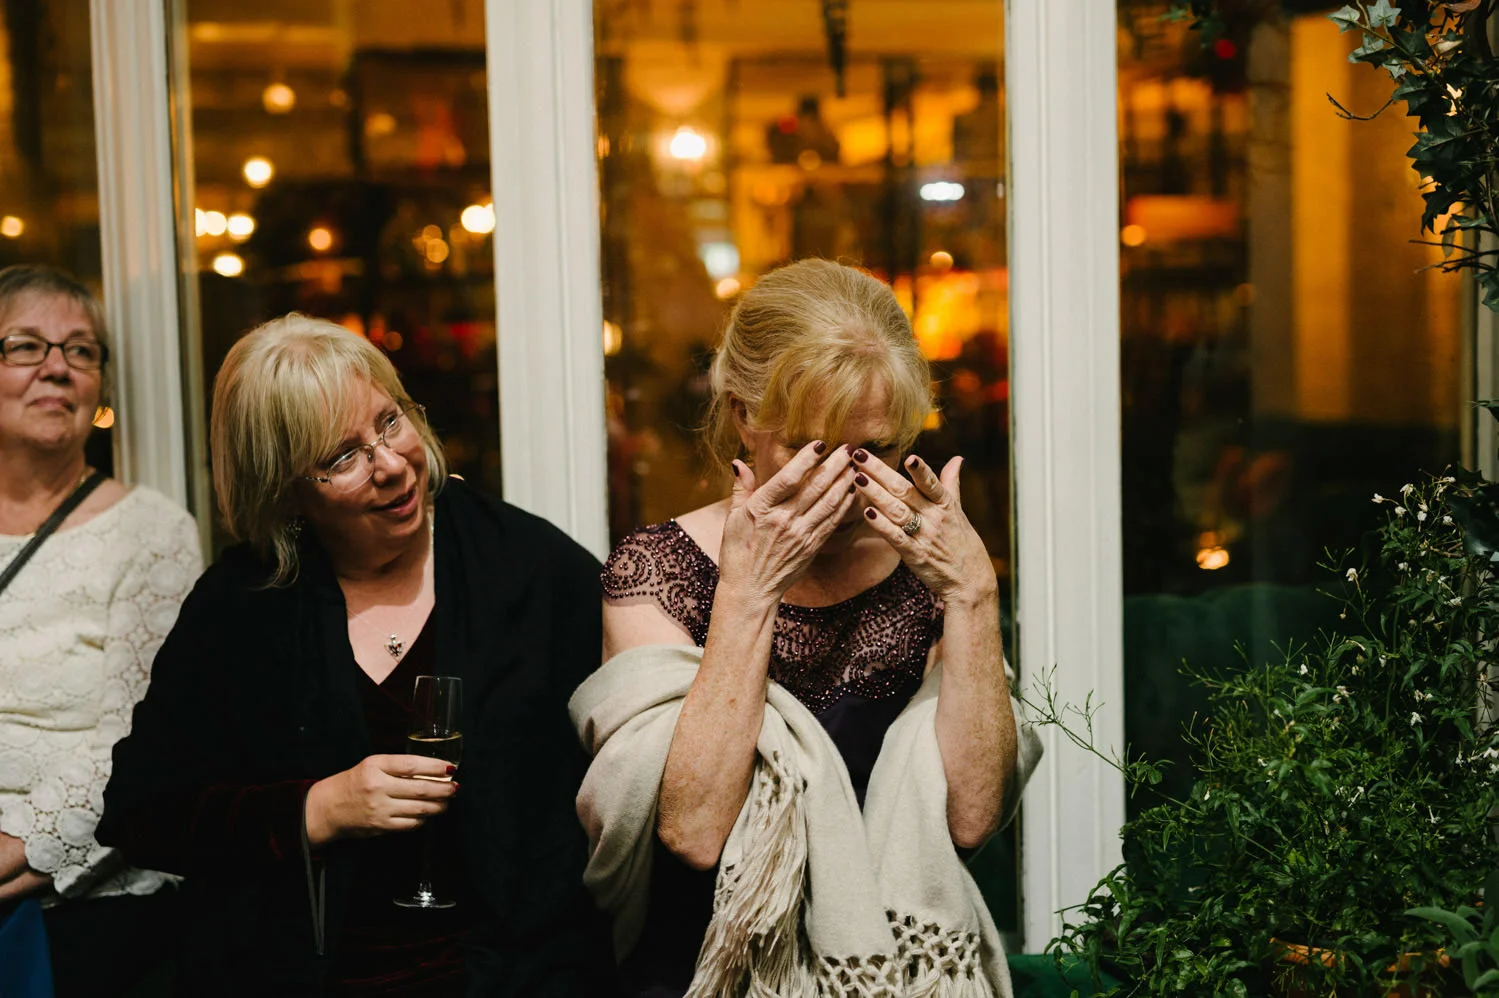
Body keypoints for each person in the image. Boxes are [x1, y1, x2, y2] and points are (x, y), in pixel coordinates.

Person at [97, 315, 615, 996]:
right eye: (342, 456)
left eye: (390, 422)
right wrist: (318, 810)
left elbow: (614, 790)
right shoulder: (242, 604)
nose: (392, 464)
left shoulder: (529, 571)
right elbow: (141, 815)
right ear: (284, 488)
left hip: (515, 977)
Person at [573, 258, 1043, 996]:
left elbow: (974, 817)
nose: (846, 486)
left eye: (879, 450)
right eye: (810, 448)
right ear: (740, 414)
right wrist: (748, 593)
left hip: (899, 973)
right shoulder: (655, 570)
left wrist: (973, 596)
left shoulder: (931, 570)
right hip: (705, 971)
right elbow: (691, 832)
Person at [0, 264, 201, 994]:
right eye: (25, 345)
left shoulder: (152, 532)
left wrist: (19, 850)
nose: (57, 366)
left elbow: (134, 739)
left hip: (85, 916)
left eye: (80, 350)